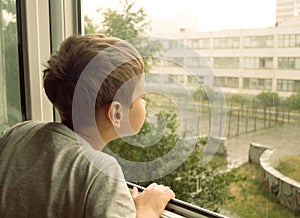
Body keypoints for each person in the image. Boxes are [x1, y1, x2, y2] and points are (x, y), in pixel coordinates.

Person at [0, 34, 175, 218]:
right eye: (142, 97)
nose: (145, 103)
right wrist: (148, 209)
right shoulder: (101, 172)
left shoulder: (19, 133)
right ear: (116, 113)